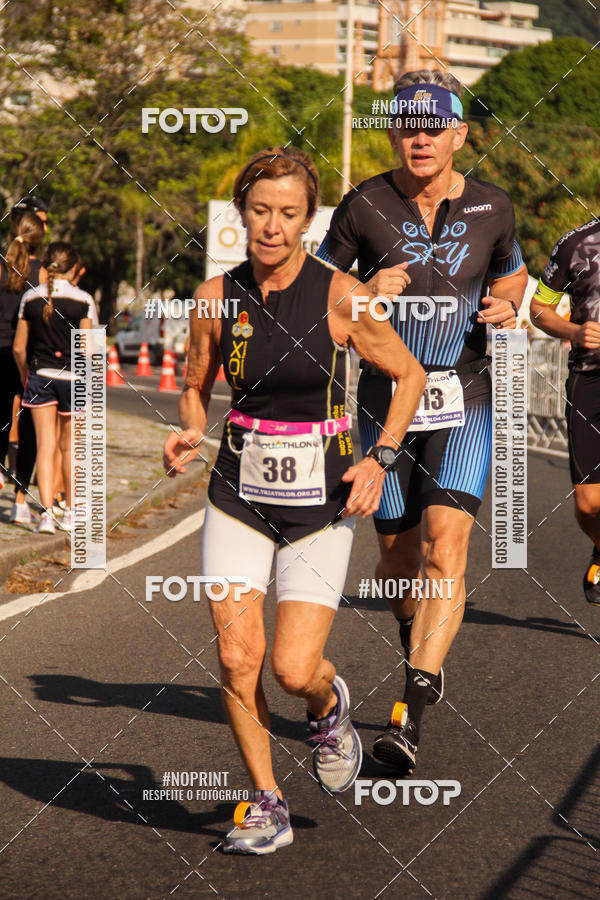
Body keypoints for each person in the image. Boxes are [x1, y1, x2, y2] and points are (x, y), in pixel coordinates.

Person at [163, 146, 426, 854]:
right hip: (237, 494)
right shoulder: (215, 296)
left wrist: (381, 457)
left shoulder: (344, 294)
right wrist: (191, 427)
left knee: (290, 669)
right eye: (259, 211)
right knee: (238, 654)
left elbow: (408, 375)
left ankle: (325, 702)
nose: (271, 227)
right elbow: (196, 382)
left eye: (288, 214)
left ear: (309, 222)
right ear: (241, 213)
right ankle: (265, 802)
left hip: (323, 502)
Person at [317, 69, 528, 774]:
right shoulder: (362, 204)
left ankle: (413, 704)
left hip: (464, 399)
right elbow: (315, 299)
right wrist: (364, 291)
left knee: (446, 547)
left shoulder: (495, 208)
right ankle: (419, 644)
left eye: (434, 127)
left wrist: (505, 305)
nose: (420, 138)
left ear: (459, 136)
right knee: (401, 560)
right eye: (407, 126)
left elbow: (512, 276)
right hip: (384, 405)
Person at [530, 221, 600, 605]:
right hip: (589, 380)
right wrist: (572, 332)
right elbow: (538, 308)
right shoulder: (576, 243)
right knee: (589, 505)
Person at [13, 242, 93, 534]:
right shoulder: (83, 300)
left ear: (46, 267)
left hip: (40, 375)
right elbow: (87, 349)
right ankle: (70, 512)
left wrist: (26, 374)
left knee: (45, 446)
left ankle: (46, 513)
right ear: (73, 268)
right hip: (73, 378)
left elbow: (20, 346)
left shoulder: (30, 298)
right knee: (69, 447)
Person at [0, 212, 46, 521]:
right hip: (26, 355)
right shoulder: (41, 273)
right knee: (28, 428)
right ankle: (19, 500)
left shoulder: (1, 265)